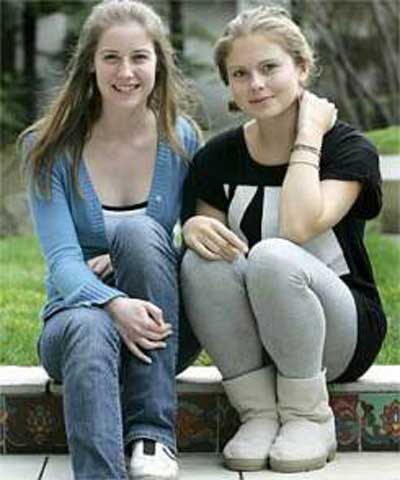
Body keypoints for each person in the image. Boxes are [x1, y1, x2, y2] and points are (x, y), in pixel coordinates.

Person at [180, 5, 386, 474]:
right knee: (200, 260)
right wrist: (192, 228)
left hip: (340, 334)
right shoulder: (216, 159)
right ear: (229, 84)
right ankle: (258, 413)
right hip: (256, 342)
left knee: (274, 255)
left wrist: (309, 134)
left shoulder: (347, 149)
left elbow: (297, 227)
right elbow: (215, 265)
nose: (256, 83)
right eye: (240, 73)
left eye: (269, 67)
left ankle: (309, 417)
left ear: (302, 68)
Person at [19, 1, 201, 479]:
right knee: (89, 323)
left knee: (139, 234)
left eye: (139, 57)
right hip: (74, 334)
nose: (126, 72)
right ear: (90, 65)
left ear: (159, 63)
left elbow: (189, 242)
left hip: (159, 334)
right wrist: (113, 303)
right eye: (111, 58)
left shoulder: (181, 139)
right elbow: (63, 262)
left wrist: (118, 258)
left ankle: (152, 436)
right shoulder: (46, 149)